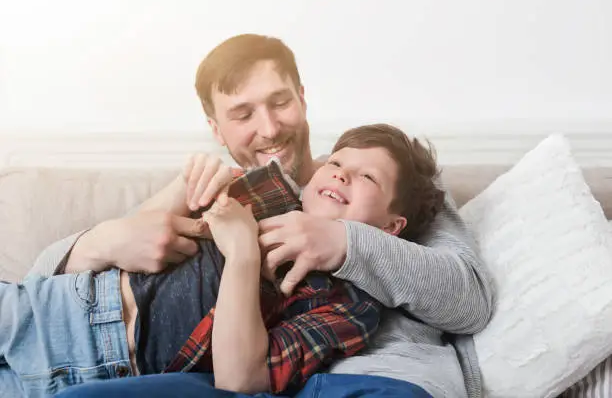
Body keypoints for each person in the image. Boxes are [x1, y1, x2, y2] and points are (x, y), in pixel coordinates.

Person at [25, 34, 495, 398]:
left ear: (303, 97)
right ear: (216, 129)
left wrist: (343, 242)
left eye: (280, 102)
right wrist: (108, 237)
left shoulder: (387, 184)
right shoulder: (222, 193)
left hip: (367, 382)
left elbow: (470, 300)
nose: (269, 128)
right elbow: (42, 282)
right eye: (243, 113)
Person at [0, 124, 443, 398]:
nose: (342, 173)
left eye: (367, 176)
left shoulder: (351, 306)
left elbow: (240, 379)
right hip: (53, 307)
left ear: (390, 229)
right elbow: (139, 234)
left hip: (101, 374)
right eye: (338, 162)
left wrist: (243, 253)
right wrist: (184, 187)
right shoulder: (269, 191)